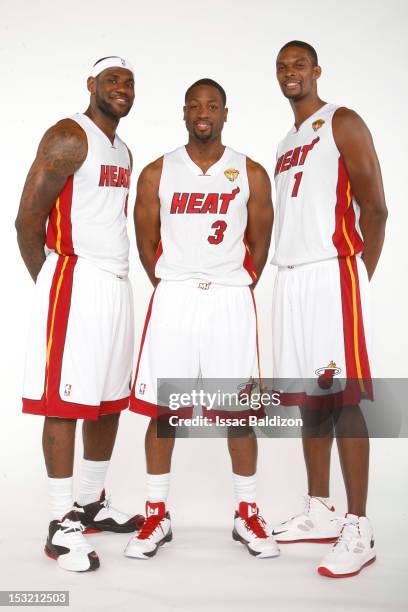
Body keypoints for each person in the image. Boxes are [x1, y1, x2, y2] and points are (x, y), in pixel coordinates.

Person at [124, 78, 278, 560]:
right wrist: (175, 282)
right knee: (164, 412)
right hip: (175, 298)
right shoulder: (156, 172)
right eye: (195, 106)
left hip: (230, 299)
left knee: (239, 411)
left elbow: (260, 244)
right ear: (184, 113)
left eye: (212, 105)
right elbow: (146, 244)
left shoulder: (250, 172)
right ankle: (155, 514)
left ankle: (247, 514)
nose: (203, 113)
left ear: (226, 113)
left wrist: (228, 280)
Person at [15, 56, 144, 573]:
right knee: (64, 404)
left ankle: (90, 504)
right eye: (112, 79)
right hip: (75, 278)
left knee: (108, 401)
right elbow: (28, 217)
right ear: (91, 85)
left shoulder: (124, 149)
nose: (121, 88)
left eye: (129, 82)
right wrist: (51, 279)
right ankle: (58, 521)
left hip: (116, 283)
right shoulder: (70, 134)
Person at [271, 41, 387, 577]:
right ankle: (319, 510)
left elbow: (376, 207)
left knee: (343, 397)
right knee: (310, 402)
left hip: (330, 273)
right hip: (290, 279)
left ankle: (358, 527)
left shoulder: (341, 120)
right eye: (283, 66)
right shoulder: (285, 142)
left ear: (316, 72)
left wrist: (358, 272)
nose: (290, 73)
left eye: (300, 65)